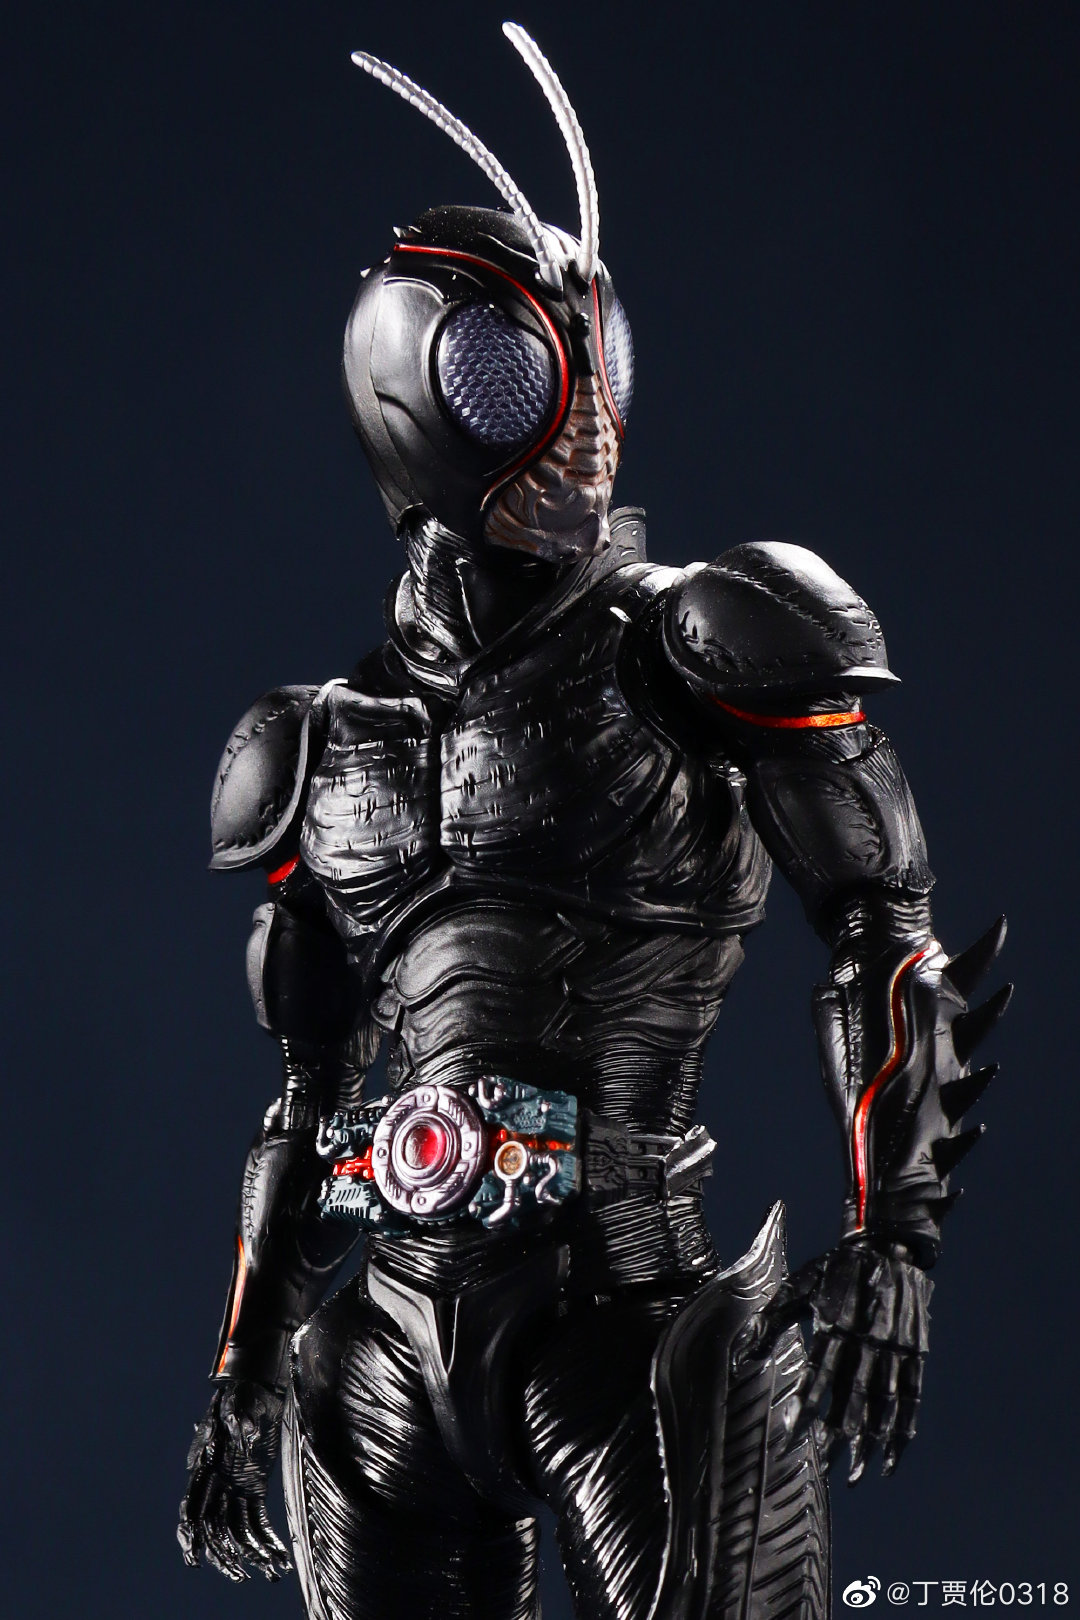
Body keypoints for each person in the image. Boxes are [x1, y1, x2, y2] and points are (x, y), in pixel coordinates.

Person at [177, 26, 1008, 1620]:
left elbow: (883, 928)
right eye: (515, 372)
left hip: (625, 1317)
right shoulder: (316, 746)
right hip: (380, 1357)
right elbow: (304, 1092)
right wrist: (243, 1369)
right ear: (418, 390)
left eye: (592, 357)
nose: (580, 420)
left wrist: (894, 1241)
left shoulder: (701, 638)